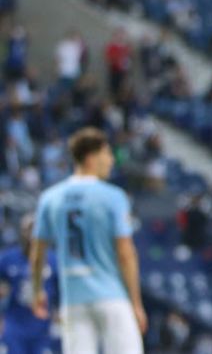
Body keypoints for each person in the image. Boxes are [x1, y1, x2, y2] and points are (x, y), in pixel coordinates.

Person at [30, 127, 146, 354]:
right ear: (91, 158)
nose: (111, 160)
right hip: (112, 296)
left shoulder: (50, 198)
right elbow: (125, 252)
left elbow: (37, 254)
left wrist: (37, 291)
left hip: (73, 299)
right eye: (107, 154)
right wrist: (135, 302)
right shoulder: (114, 197)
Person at [0, 216, 59, 354]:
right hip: (15, 324)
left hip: (43, 326)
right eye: (28, 229)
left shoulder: (53, 260)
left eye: (36, 229)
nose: (32, 235)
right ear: (22, 232)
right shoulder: (8, 258)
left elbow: (61, 292)